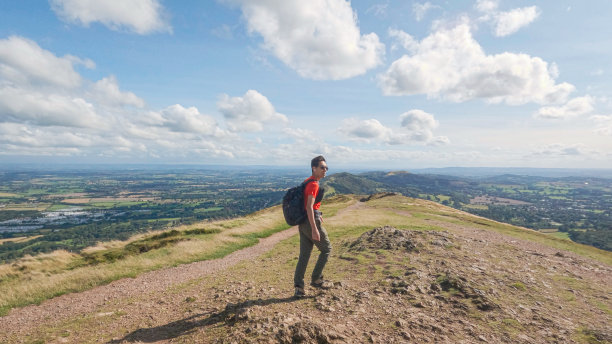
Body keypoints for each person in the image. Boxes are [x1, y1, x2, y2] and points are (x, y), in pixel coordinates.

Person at [294, 155, 332, 298]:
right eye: (322, 167)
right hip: (311, 223)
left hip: (302, 223)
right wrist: (315, 228)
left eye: (326, 168)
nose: (325, 170)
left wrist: (318, 213)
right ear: (313, 168)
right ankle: (316, 278)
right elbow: (309, 207)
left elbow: (310, 206)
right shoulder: (313, 184)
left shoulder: (307, 181)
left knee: (304, 255)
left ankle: (299, 287)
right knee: (327, 249)